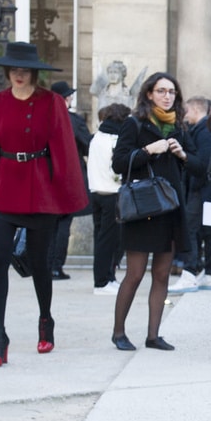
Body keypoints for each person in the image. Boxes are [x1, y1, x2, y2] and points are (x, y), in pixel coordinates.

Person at [0, 41, 87, 366]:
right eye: (13, 69)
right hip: (4, 187)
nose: (18, 75)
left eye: (24, 69)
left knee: (41, 263)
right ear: (7, 71)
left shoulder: (51, 102)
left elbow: (63, 147)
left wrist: (65, 192)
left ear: (34, 72)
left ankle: (46, 320)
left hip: (40, 190)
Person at [110, 72, 204, 351]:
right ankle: (118, 333)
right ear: (149, 94)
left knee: (162, 274)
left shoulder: (179, 127)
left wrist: (182, 155)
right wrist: (148, 150)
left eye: (171, 92)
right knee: (135, 273)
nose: (167, 96)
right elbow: (118, 163)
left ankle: (153, 336)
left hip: (170, 209)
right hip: (142, 209)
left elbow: (200, 167)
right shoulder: (134, 123)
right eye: (161, 91)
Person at [169, 95, 211, 293]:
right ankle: (208, 273)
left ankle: (190, 273)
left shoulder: (204, 131)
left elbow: (205, 165)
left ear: (196, 110)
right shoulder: (206, 129)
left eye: (187, 110)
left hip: (203, 192)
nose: (185, 115)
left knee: (194, 231)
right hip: (207, 193)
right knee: (206, 232)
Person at [49, 81, 92, 280]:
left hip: (46, 177)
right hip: (68, 177)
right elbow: (87, 144)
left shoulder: (43, 117)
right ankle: (56, 266)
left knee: (49, 224)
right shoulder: (72, 120)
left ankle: (46, 266)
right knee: (63, 223)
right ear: (65, 99)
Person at [87, 101, 130, 294]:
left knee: (101, 239)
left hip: (96, 192)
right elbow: (117, 168)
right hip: (112, 193)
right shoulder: (114, 138)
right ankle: (102, 282)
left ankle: (107, 278)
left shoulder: (97, 136)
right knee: (109, 241)